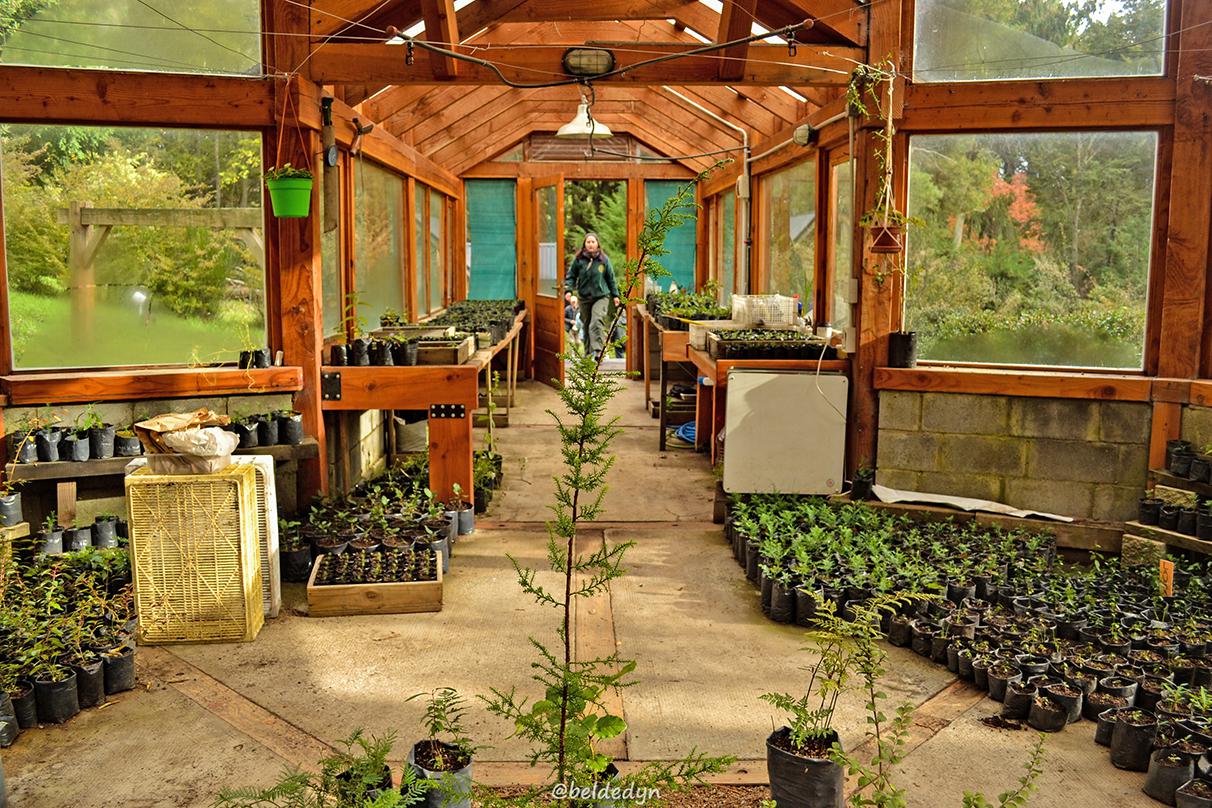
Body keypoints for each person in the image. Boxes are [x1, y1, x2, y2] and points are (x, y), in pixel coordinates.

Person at [564, 232, 620, 356]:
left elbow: (611, 278)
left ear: (597, 244)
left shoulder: (603, 260)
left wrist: (615, 295)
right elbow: (571, 276)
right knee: (587, 324)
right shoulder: (579, 260)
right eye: (588, 242)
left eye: (593, 242)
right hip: (584, 298)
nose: (590, 244)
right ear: (585, 244)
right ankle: (588, 353)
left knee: (596, 320)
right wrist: (568, 290)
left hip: (601, 296)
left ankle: (598, 350)